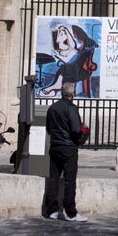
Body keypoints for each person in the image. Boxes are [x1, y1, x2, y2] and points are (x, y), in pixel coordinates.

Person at [42, 82, 87, 222]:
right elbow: (75, 129)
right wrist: (83, 130)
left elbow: (49, 128)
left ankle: (52, 209)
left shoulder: (53, 108)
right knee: (69, 180)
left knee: (53, 178)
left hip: (55, 146)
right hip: (68, 147)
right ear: (72, 94)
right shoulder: (71, 108)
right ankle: (70, 212)